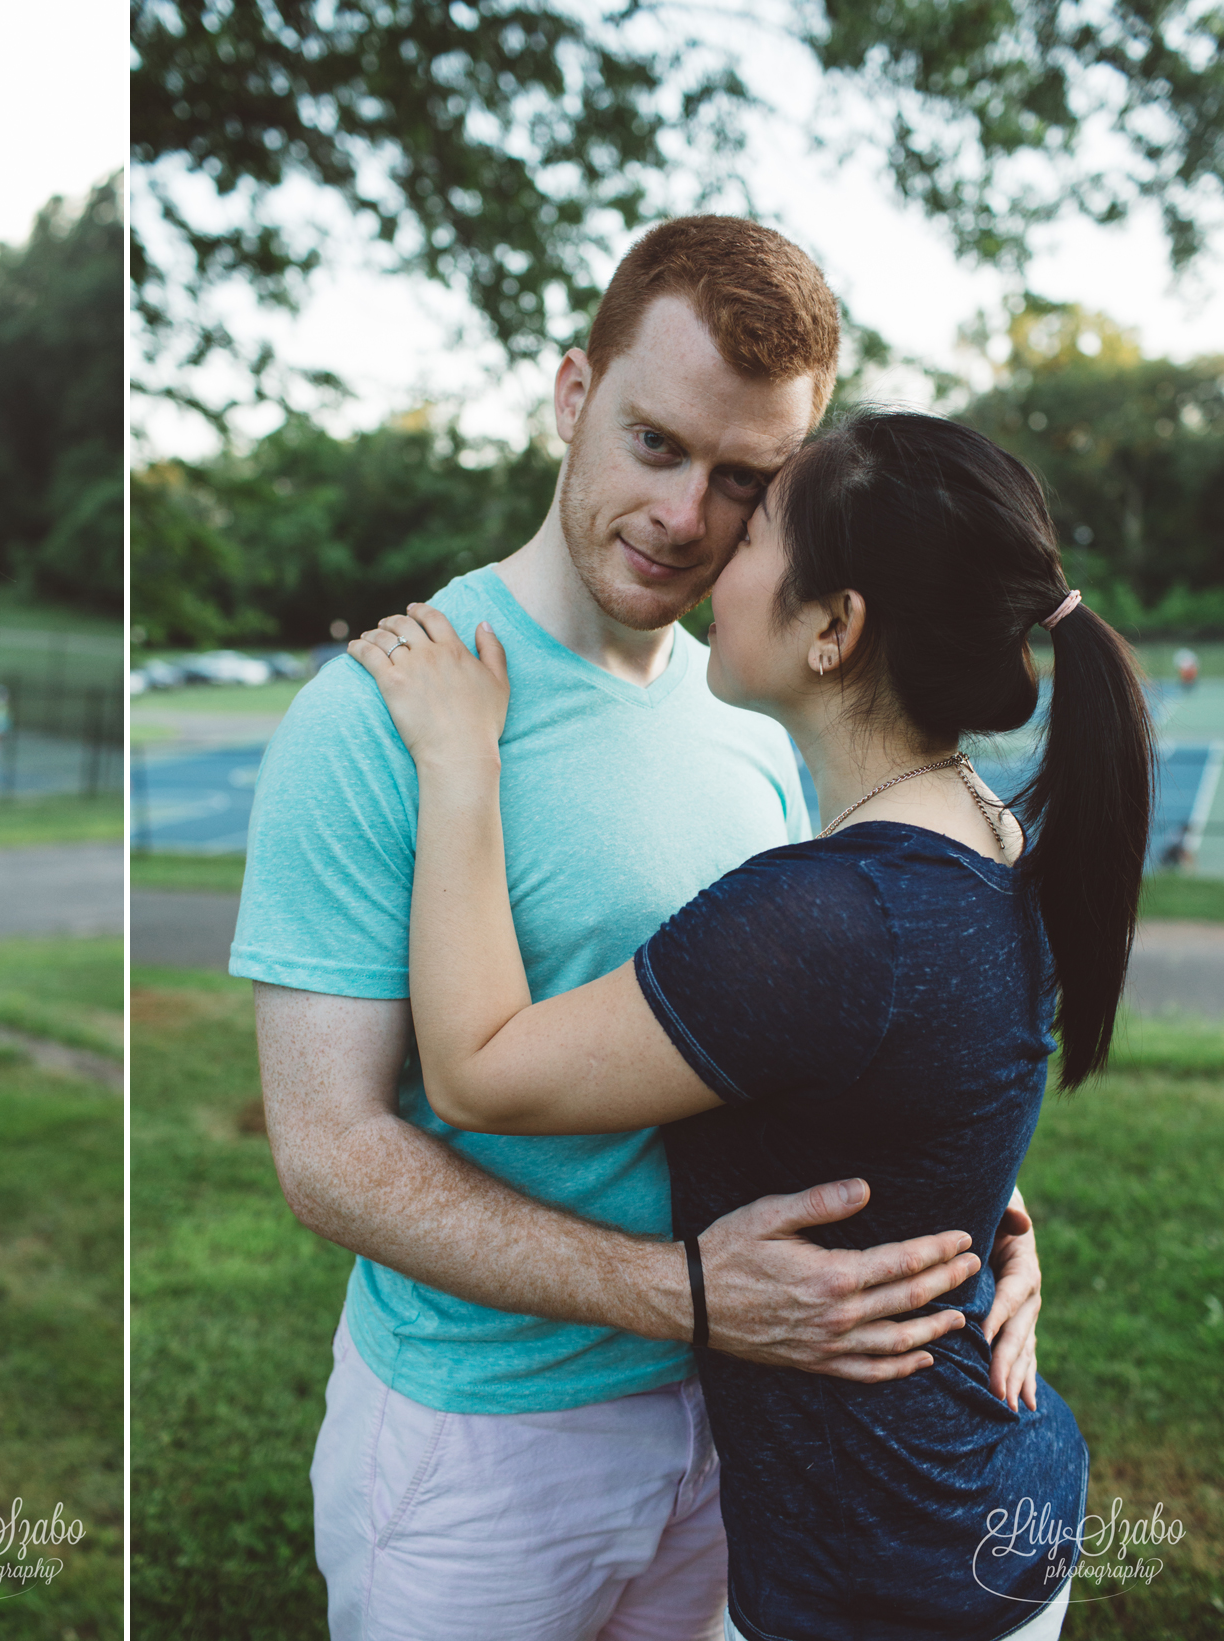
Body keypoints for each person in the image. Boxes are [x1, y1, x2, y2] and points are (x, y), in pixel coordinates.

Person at [234, 217, 1045, 1640]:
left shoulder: (762, 705)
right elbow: (329, 1156)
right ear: (570, 395)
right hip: (484, 1445)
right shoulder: (380, 712)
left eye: (743, 480)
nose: (685, 515)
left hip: (743, 1427)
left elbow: (825, 1030)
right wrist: (682, 1295)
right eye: (654, 444)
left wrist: (969, 1209)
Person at [348, 407, 1142, 1640]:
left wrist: (459, 761)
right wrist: (980, 1208)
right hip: (984, 1506)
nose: (714, 551)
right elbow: (927, 1071)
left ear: (836, 629)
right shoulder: (987, 836)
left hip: (886, 1572)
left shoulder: (824, 914)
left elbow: (478, 1075)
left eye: (758, 525)